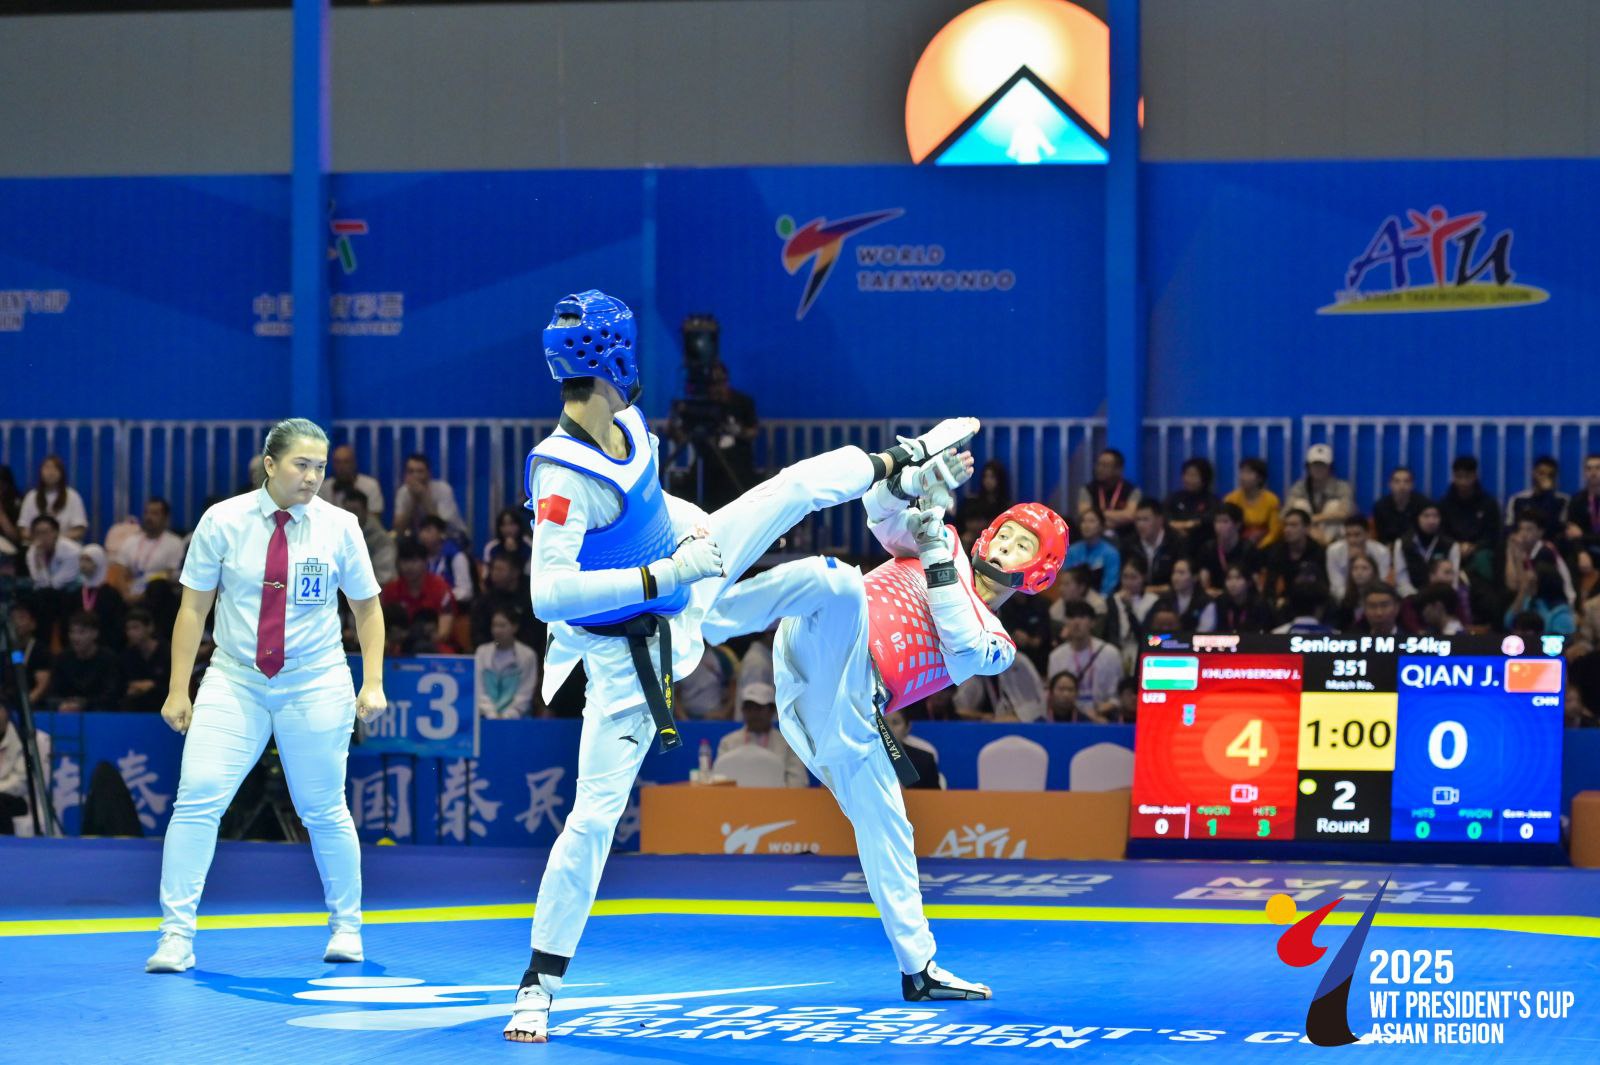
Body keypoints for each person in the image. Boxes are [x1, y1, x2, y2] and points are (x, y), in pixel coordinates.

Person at [505, 289, 982, 1041]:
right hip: (632, 654)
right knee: (593, 819)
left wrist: (702, 537)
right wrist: (668, 574)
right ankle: (538, 985)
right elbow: (548, 594)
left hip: (690, 573)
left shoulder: (629, 425)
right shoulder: (561, 473)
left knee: (808, 533)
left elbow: (648, 505)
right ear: (616, 357)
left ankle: (904, 459)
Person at [701, 491, 1067, 994]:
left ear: (1039, 573)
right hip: (816, 651)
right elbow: (881, 513)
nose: (1005, 545)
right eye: (1005, 533)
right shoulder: (944, 542)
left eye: (1022, 544)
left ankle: (919, 968)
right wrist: (908, 479)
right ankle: (698, 622)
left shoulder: (997, 643)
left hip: (848, 710)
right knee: (833, 579)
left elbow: (959, 637)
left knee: (889, 828)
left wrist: (934, 548)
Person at [144, 418, 387, 975]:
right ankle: (175, 936)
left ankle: (347, 927)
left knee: (323, 807)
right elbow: (193, 610)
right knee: (197, 798)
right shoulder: (222, 521)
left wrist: (372, 681)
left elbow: (368, 609)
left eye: (319, 467)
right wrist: (178, 689)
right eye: (302, 465)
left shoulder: (340, 526)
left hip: (316, 679)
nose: (313, 477)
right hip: (235, 679)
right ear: (270, 464)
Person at [715, 681, 808, 787]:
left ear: (772, 710)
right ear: (742, 710)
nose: (753, 713)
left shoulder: (789, 744)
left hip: (777, 797)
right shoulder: (727, 742)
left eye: (759, 708)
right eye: (749, 708)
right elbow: (720, 782)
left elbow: (797, 784)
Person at [1046, 601, 1122, 719]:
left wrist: (1101, 711)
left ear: (1092, 623)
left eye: (1082, 617)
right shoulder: (1056, 656)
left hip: (1103, 715)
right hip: (1068, 716)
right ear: (1066, 623)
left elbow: (1117, 696)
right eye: (1071, 617)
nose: (1076, 622)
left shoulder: (1110, 653)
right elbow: (1054, 696)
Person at [1438, 455, 1501, 586]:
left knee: (1483, 558)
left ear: (1475, 476)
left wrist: (1474, 546)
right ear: (1453, 477)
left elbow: (1493, 534)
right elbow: (1441, 532)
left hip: (1480, 550)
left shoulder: (1488, 503)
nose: (1463, 482)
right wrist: (1456, 546)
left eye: (1467, 477)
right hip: (1451, 549)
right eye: (1459, 477)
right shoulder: (1444, 503)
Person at [382, 539, 457, 649]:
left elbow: (443, 634)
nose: (409, 567)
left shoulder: (441, 589)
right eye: (404, 561)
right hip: (398, 651)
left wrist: (410, 637)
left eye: (414, 561)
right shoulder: (390, 590)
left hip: (435, 650)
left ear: (425, 562)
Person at [43, 612, 119, 711]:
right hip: (65, 711)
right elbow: (52, 693)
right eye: (72, 632)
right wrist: (61, 704)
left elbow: (111, 695)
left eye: (81, 632)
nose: (75, 638)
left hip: (98, 713)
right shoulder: (62, 658)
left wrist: (84, 704)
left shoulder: (108, 659)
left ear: (95, 634)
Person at [115, 497, 188, 599]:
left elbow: (170, 574)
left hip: (156, 595)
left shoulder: (175, 543)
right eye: (146, 513)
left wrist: (141, 595)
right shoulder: (131, 541)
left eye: (154, 513)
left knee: (158, 587)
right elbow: (120, 570)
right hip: (130, 592)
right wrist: (125, 594)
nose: (148, 517)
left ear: (165, 518)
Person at [475, 608, 540, 718]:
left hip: (518, 719)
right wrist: (491, 715)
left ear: (515, 627)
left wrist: (508, 716)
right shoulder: (481, 652)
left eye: (502, 625)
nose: (497, 630)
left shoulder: (528, 655)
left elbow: (525, 693)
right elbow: (479, 690)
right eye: (494, 625)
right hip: (486, 718)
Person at [1284, 443, 1354, 544]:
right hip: (1306, 531)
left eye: (1322, 465)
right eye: (1314, 465)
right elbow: (1286, 512)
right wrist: (1310, 526)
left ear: (1330, 467)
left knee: (1333, 505)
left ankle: (1323, 544)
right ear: (1308, 467)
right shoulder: (1299, 487)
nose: (1318, 469)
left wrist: (1317, 519)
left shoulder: (1342, 487)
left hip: (1331, 533)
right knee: (1300, 504)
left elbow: (1346, 513)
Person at [1505, 509, 1575, 608]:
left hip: (1558, 602)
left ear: (1540, 532)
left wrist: (1517, 558)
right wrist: (1510, 551)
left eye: (1529, 529)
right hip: (1538, 598)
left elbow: (1525, 586)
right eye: (1521, 529)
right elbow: (1511, 585)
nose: (1523, 534)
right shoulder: (1523, 551)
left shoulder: (1546, 552)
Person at [1392, 502, 1461, 598]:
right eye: (1426, 516)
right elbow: (1401, 579)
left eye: (1436, 516)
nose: (1431, 521)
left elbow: (1454, 579)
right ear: (1417, 518)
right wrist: (1417, 598)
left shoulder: (1451, 545)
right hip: (1411, 597)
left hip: (1443, 597)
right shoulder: (1402, 544)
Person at [391, 452, 466, 539]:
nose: (415, 476)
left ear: (429, 473)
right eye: (411, 471)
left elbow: (442, 527)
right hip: (421, 539)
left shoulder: (443, 489)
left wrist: (423, 496)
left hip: (453, 537)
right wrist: (412, 501)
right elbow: (399, 530)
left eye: (420, 471)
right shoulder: (403, 492)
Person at [18, 455, 88, 543]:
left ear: (61, 473)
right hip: (37, 545)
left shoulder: (73, 496)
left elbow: (79, 530)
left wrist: (55, 540)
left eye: (55, 468)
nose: (50, 472)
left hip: (65, 545)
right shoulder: (31, 496)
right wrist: (41, 540)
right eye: (47, 468)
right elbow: (23, 529)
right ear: (40, 472)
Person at [1262, 507, 1326, 604]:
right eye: (1286, 525)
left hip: (1310, 601)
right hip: (1282, 602)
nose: (1287, 529)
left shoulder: (1318, 552)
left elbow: (1321, 586)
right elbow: (1270, 586)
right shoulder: (1277, 551)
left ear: (1307, 528)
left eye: (1293, 525)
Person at [1194, 502, 1258, 593]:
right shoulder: (1208, 548)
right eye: (1217, 521)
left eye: (1225, 521)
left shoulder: (1248, 549)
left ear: (1237, 525)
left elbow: (1255, 581)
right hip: (1215, 594)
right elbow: (1204, 580)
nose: (1219, 526)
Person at [1325, 513, 1392, 601]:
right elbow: (1336, 586)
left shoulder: (1381, 552)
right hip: (1344, 599)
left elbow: (1382, 581)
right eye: (1348, 535)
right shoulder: (1333, 551)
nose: (1352, 540)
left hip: (1374, 597)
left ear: (1367, 534)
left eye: (1357, 535)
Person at [75, 545, 126, 651]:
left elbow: (117, 625)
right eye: (81, 559)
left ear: (99, 562)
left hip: (105, 645)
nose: (83, 564)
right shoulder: (76, 593)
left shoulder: (111, 594)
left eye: (88, 560)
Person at [118, 608, 170, 713]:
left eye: (136, 627)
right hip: (137, 707)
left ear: (150, 627)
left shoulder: (167, 652)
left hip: (164, 704)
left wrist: (152, 685)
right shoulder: (127, 656)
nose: (131, 633)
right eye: (128, 629)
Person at [1077, 448, 1141, 533]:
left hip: (1125, 536)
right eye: (1098, 464)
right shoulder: (1087, 489)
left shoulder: (1132, 490)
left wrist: (1098, 517)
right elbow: (1084, 514)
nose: (1099, 469)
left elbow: (1130, 515)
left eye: (1105, 465)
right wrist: (1119, 517)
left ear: (1118, 469)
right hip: (1095, 536)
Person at [1223, 457, 1282, 547]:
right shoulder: (1231, 499)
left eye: (1248, 473)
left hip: (1266, 546)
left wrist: (1260, 546)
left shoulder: (1271, 500)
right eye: (1242, 472)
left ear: (1260, 478)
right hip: (1238, 545)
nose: (1242, 477)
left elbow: (1275, 532)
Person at [1505, 455, 1567, 540]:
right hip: (1523, 542)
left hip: (1551, 543)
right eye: (1541, 473)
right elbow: (1509, 528)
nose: (1544, 478)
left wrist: (1549, 495)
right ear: (1533, 473)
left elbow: (1556, 527)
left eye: (1550, 475)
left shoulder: (1562, 500)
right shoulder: (1518, 499)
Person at [1062, 507, 1120, 597]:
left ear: (1101, 526)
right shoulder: (1072, 550)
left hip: (1100, 599)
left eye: (1092, 521)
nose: (1086, 525)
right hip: (1073, 597)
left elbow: (1109, 585)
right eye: (1083, 521)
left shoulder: (1111, 553)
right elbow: (1066, 579)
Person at [1128, 498, 1181, 592]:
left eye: (1145, 520)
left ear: (1160, 520)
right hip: (1137, 595)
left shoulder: (1176, 542)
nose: (1140, 525)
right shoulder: (1130, 544)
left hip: (1169, 595)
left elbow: (1181, 579)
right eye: (1138, 520)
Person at [418, 514, 473, 604]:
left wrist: (442, 597)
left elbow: (465, 592)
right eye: (421, 531)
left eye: (428, 530)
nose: (423, 535)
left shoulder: (456, 556)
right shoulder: (420, 557)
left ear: (441, 533)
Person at [316, 444, 384, 517]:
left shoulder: (370, 486)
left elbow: (374, 518)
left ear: (354, 463)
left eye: (346, 462)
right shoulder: (324, 487)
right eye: (337, 462)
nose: (341, 467)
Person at [1164, 457, 1219, 539]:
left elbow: (1209, 519)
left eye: (1194, 475)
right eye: (1187, 474)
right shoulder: (1174, 498)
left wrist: (1191, 524)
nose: (1189, 479)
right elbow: (1164, 515)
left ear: (1204, 478)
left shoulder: (1212, 500)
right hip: (1174, 540)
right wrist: (1177, 528)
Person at [1373, 467, 1428, 545]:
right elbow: (1380, 536)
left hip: (1416, 547)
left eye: (1406, 481)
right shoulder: (1380, 506)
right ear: (1390, 484)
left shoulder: (1423, 504)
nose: (1402, 486)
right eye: (1397, 481)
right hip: (1388, 547)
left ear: (1412, 485)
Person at [1160, 556, 1217, 633]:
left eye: (1181, 573)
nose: (1175, 577)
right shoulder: (1165, 599)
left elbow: (1204, 632)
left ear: (1194, 577)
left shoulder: (1205, 602)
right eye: (1174, 572)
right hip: (1167, 639)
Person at [884, 710, 940, 788]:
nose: (888, 728)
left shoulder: (924, 761)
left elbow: (933, 795)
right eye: (883, 723)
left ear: (907, 728)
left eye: (895, 723)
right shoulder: (866, 759)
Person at [25, 515, 81, 590]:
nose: (41, 537)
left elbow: (57, 584)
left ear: (56, 532)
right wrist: (38, 559)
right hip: (47, 591)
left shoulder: (72, 551)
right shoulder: (33, 551)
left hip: (70, 590)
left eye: (45, 532)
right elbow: (40, 582)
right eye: (37, 533)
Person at [1215, 563, 1273, 633]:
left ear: (1248, 582)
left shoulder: (1259, 604)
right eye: (1229, 578)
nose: (1233, 583)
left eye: (1238, 578)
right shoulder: (1221, 602)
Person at [1565, 454, 1600, 566]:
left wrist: (1583, 535)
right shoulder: (1576, 500)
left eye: (1598, 468)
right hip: (1586, 549)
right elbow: (1572, 533)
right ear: (1584, 473)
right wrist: (1581, 552)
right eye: (1589, 469)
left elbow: (1578, 534)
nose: (1593, 473)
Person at [957, 460, 1011, 530]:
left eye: (992, 477)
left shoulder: (1006, 506)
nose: (988, 480)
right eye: (985, 476)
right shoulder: (973, 502)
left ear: (999, 479)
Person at [1334, 553, 1382, 630]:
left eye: (1364, 568)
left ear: (1374, 572)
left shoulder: (1381, 597)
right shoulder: (1346, 601)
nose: (1359, 573)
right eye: (1355, 568)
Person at [482, 506, 533, 572]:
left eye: (512, 524)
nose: (508, 529)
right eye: (504, 525)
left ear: (519, 525)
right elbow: (487, 574)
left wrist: (513, 553)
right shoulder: (491, 547)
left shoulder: (529, 545)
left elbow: (529, 572)